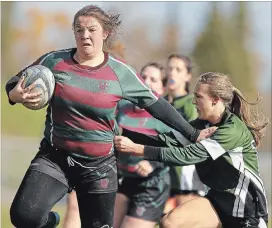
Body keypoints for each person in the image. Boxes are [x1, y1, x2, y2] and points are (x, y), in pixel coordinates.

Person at [5, 5, 216, 228]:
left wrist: (192, 133)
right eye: (79, 29)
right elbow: (14, 82)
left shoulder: (120, 72)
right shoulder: (54, 61)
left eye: (91, 29)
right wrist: (14, 94)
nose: (84, 35)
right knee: (24, 217)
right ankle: (50, 222)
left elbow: (157, 106)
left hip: (99, 167)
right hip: (55, 157)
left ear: (105, 33)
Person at [114, 72, 269, 228]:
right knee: (171, 222)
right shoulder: (201, 126)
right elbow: (166, 141)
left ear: (215, 100)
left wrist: (138, 149)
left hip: (247, 209)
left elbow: (188, 155)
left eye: (199, 97)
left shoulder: (232, 130)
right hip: (218, 201)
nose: (194, 101)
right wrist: (120, 133)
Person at [114, 62, 171, 228]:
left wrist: (152, 163)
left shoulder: (168, 116)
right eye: (143, 77)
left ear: (163, 89)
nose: (147, 82)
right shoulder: (122, 108)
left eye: (153, 79)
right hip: (122, 179)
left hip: (151, 184)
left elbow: (179, 150)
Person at [164, 54, 206, 208]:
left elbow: (193, 135)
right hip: (162, 170)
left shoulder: (190, 103)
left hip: (185, 172)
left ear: (187, 76)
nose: (171, 73)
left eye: (177, 69)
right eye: (169, 68)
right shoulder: (159, 102)